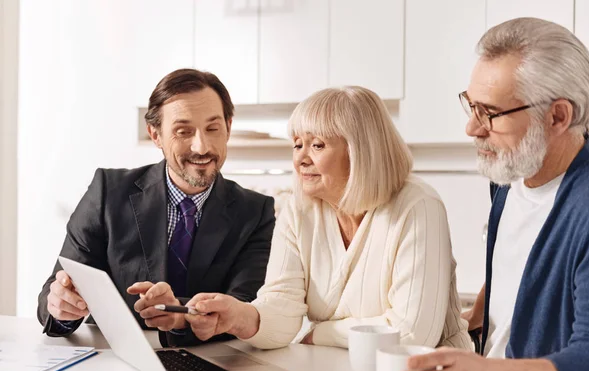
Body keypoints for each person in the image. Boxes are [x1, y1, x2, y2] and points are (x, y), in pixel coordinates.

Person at [171, 86, 472, 350]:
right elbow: (282, 307)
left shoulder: (418, 205)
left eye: (317, 145)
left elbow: (411, 333)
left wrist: (321, 333)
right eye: (297, 144)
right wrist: (238, 317)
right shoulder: (299, 209)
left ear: (360, 151)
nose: (301, 158)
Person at [399, 17, 589, 371]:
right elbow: (529, 265)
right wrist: (477, 316)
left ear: (558, 116)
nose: (472, 129)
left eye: (490, 113)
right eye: (471, 106)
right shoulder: (509, 176)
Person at [37, 69, 276, 347]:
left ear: (228, 127)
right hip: (115, 362)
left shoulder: (255, 211)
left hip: (211, 363)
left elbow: (245, 306)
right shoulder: (108, 191)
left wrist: (179, 315)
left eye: (213, 129)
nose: (201, 146)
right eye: (183, 131)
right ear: (155, 134)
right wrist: (63, 308)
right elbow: (56, 289)